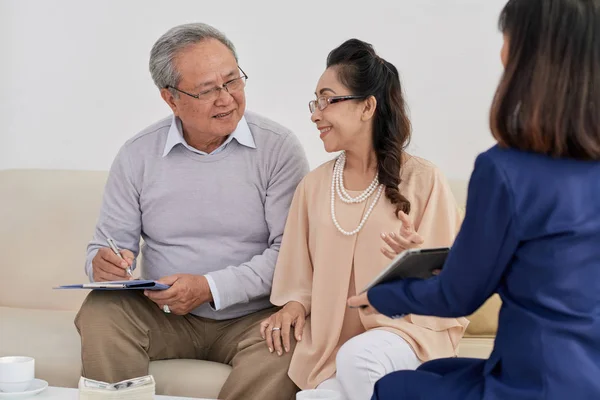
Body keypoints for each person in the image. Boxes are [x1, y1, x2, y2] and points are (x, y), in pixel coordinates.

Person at [348, 0, 600, 399]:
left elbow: (458, 295)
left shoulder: (506, 169)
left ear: (528, 54)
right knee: (440, 372)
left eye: (507, 36)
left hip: (535, 383)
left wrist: (381, 296)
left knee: (395, 388)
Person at [74, 22, 309, 400]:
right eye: (207, 90)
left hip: (256, 317)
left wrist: (208, 288)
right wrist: (101, 263)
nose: (227, 99)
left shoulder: (278, 148)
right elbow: (107, 244)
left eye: (233, 81)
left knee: (294, 342)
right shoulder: (137, 154)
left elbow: (292, 255)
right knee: (101, 311)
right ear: (171, 98)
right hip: (165, 315)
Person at [260, 39, 469, 400]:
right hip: (331, 342)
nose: (315, 114)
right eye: (315, 101)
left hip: (409, 331)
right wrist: (294, 304)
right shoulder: (314, 186)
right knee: (317, 396)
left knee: (358, 359)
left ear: (367, 106)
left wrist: (418, 255)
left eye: (328, 99)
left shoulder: (423, 179)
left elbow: (454, 277)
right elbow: (298, 275)